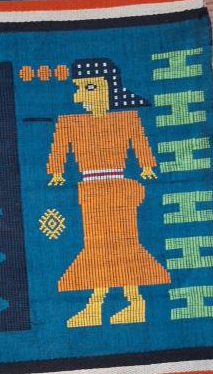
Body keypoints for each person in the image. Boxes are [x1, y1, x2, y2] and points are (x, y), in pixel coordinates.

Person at [47, 57, 170, 328]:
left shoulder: (126, 118)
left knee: (123, 245)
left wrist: (147, 166)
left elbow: (140, 141)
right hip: (91, 193)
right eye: (80, 88)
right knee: (98, 247)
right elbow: (59, 147)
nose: (81, 95)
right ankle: (117, 303)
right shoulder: (70, 122)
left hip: (119, 190)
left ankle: (119, 302)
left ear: (109, 88)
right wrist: (56, 172)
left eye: (89, 87)